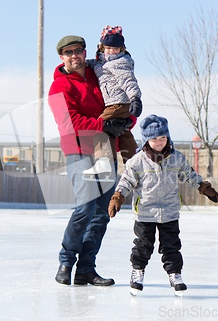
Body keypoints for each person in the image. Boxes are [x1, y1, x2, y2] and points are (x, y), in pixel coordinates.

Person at [48, 35, 132, 286]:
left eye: (78, 50)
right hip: (79, 151)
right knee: (85, 208)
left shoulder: (100, 74)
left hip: (105, 148)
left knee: (101, 213)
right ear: (61, 57)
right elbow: (67, 123)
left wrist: (124, 122)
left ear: (86, 52)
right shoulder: (58, 86)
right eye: (68, 52)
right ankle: (66, 260)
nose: (75, 55)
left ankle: (86, 268)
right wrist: (103, 125)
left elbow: (120, 102)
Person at [107, 114, 218, 296]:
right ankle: (137, 272)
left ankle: (175, 274)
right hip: (145, 211)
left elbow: (189, 174)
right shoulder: (137, 161)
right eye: (154, 138)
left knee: (171, 246)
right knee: (143, 245)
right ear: (146, 140)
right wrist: (118, 196)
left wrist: (204, 187)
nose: (159, 142)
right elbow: (126, 180)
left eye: (163, 137)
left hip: (169, 211)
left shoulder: (176, 158)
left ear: (168, 137)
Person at [82, 25, 142, 176]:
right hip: (118, 103)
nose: (111, 51)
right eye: (108, 48)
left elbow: (129, 81)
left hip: (118, 102)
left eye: (115, 48)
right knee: (123, 132)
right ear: (102, 47)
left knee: (99, 125)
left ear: (121, 48)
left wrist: (135, 98)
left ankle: (104, 161)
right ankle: (134, 163)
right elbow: (92, 64)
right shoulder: (101, 62)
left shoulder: (120, 62)